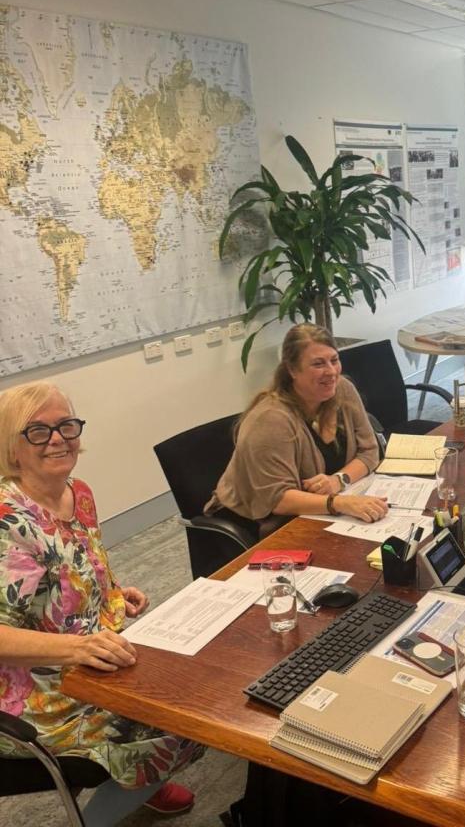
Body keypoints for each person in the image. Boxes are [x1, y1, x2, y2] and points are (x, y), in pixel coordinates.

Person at [0, 382, 204, 826]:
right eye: (37, 431)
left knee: (196, 681)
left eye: (66, 425)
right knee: (177, 723)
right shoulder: (8, 521)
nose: (58, 439)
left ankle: (138, 782)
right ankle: (118, 799)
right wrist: (79, 647)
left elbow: (75, 567)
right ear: (12, 447)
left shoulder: (79, 492)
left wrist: (111, 592)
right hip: (32, 691)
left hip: (90, 653)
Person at [206, 323, 388, 535]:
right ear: (292, 370)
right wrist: (340, 503)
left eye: (334, 360)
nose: (331, 372)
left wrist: (338, 480)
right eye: (318, 364)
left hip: (319, 511)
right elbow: (277, 499)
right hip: (261, 522)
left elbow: (369, 451)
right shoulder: (270, 419)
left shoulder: (342, 389)